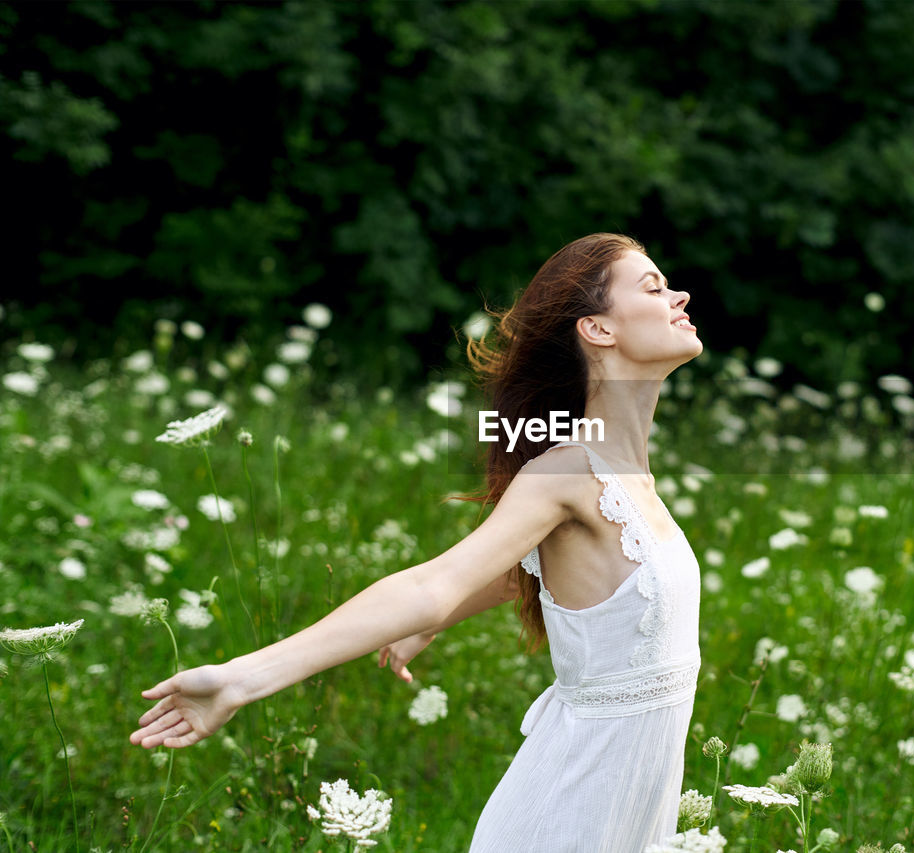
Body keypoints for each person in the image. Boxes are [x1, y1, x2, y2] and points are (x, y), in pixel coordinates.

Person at [129, 233, 705, 852]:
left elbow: (580, 576)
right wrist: (243, 679)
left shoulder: (626, 476)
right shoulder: (567, 472)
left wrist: (444, 615)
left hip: (629, 813)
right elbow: (432, 583)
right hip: (567, 816)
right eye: (652, 286)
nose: (679, 296)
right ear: (597, 329)